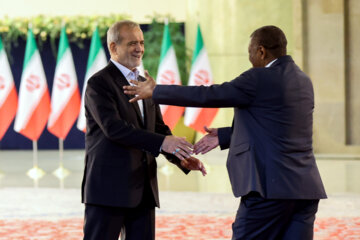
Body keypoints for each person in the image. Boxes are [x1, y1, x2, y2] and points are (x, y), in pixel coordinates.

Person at [124, 25, 327, 240]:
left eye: (250, 52)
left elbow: (211, 94)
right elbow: (281, 127)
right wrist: (224, 136)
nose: (250, 58)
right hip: (305, 190)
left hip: (269, 189)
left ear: (261, 51)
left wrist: (157, 91)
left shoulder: (258, 78)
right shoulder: (303, 80)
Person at [81, 20, 206, 240]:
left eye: (141, 42)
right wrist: (163, 143)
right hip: (108, 190)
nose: (139, 48)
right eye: (132, 43)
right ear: (113, 47)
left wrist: (179, 156)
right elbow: (115, 129)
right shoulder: (98, 83)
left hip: (143, 190)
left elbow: (157, 127)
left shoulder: (144, 82)